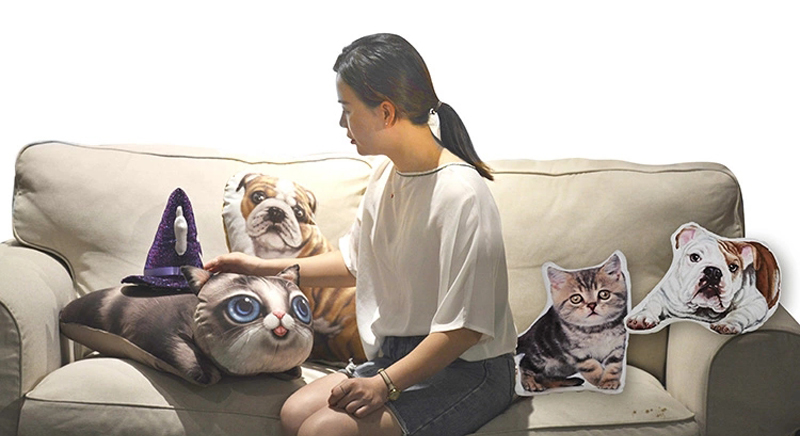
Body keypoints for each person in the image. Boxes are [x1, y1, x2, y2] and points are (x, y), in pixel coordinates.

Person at [205, 33, 517, 436]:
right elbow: (355, 263)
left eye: (347, 109)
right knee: (294, 413)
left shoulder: (462, 195)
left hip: (468, 369)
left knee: (322, 431)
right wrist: (259, 267)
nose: (342, 123)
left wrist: (384, 384)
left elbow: (464, 330)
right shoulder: (387, 174)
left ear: (385, 112)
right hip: (396, 356)